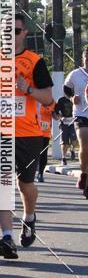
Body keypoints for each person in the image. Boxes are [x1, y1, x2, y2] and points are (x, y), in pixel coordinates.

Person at [0, 13, 54, 259]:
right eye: (5, 30)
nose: (9, 35)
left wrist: (28, 89)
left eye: (14, 30)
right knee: (0, 183)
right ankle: (7, 237)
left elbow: (48, 98)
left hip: (28, 132)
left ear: (24, 33)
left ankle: (29, 217)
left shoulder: (35, 62)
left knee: (25, 183)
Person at [64, 46, 88, 197]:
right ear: (83, 59)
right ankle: (83, 173)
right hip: (81, 114)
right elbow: (66, 88)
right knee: (85, 142)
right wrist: (72, 98)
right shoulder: (75, 74)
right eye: (87, 58)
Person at [37, 100, 56, 183]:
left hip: (45, 132)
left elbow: (56, 117)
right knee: (32, 153)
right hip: (32, 131)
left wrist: (60, 113)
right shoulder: (34, 100)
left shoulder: (52, 102)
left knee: (43, 154)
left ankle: (40, 174)